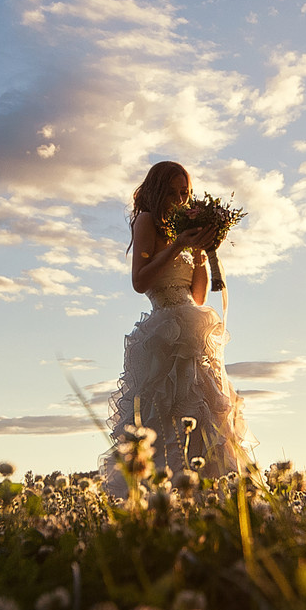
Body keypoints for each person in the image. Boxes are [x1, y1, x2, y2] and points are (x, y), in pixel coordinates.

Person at [101, 160, 250, 489]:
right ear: (157, 192)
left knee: (204, 415)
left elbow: (198, 296)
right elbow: (140, 281)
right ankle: (159, 491)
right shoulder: (146, 221)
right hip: (163, 333)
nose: (180, 200)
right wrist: (179, 245)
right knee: (162, 414)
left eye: (185, 193)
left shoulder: (182, 229)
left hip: (193, 332)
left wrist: (199, 254)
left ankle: (203, 494)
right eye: (171, 193)